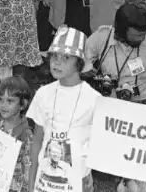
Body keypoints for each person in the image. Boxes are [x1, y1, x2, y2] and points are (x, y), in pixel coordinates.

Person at [27, 27, 99, 192]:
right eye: (54, 56)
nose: (57, 62)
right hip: (44, 180)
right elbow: (37, 139)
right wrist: (31, 181)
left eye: (66, 57)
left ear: (79, 63)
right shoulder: (43, 94)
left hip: (77, 181)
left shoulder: (93, 99)